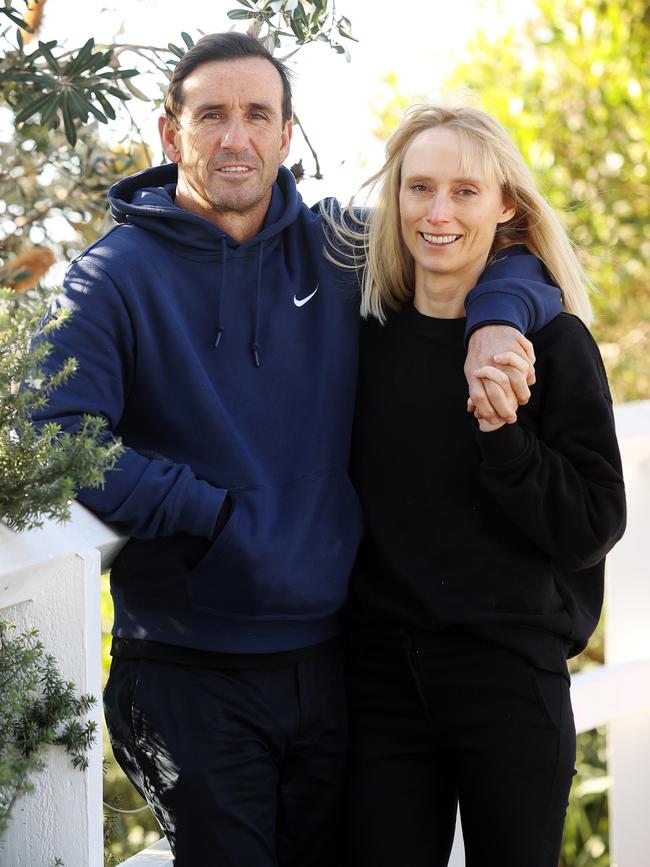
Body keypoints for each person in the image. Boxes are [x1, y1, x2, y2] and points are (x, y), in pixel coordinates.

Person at [32, 35, 562, 867]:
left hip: (330, 664)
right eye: (211, 116)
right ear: (170, 135)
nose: (235, 137)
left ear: (286, 137)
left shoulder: (339, 250)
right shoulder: (112, 277)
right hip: (188, 664)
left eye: (257, 116)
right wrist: (208, 513)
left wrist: (496, 316)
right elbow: (56, 431)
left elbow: (493, 250)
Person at [332, 105, 627, 867]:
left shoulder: (553, 345)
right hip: (380, 688)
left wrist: (504, 441)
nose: (437, 213)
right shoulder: (362, 335)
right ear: (393, 197)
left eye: (465, 191)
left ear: (507, 207)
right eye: (419, 187)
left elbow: (594, 522)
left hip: (509, 683)